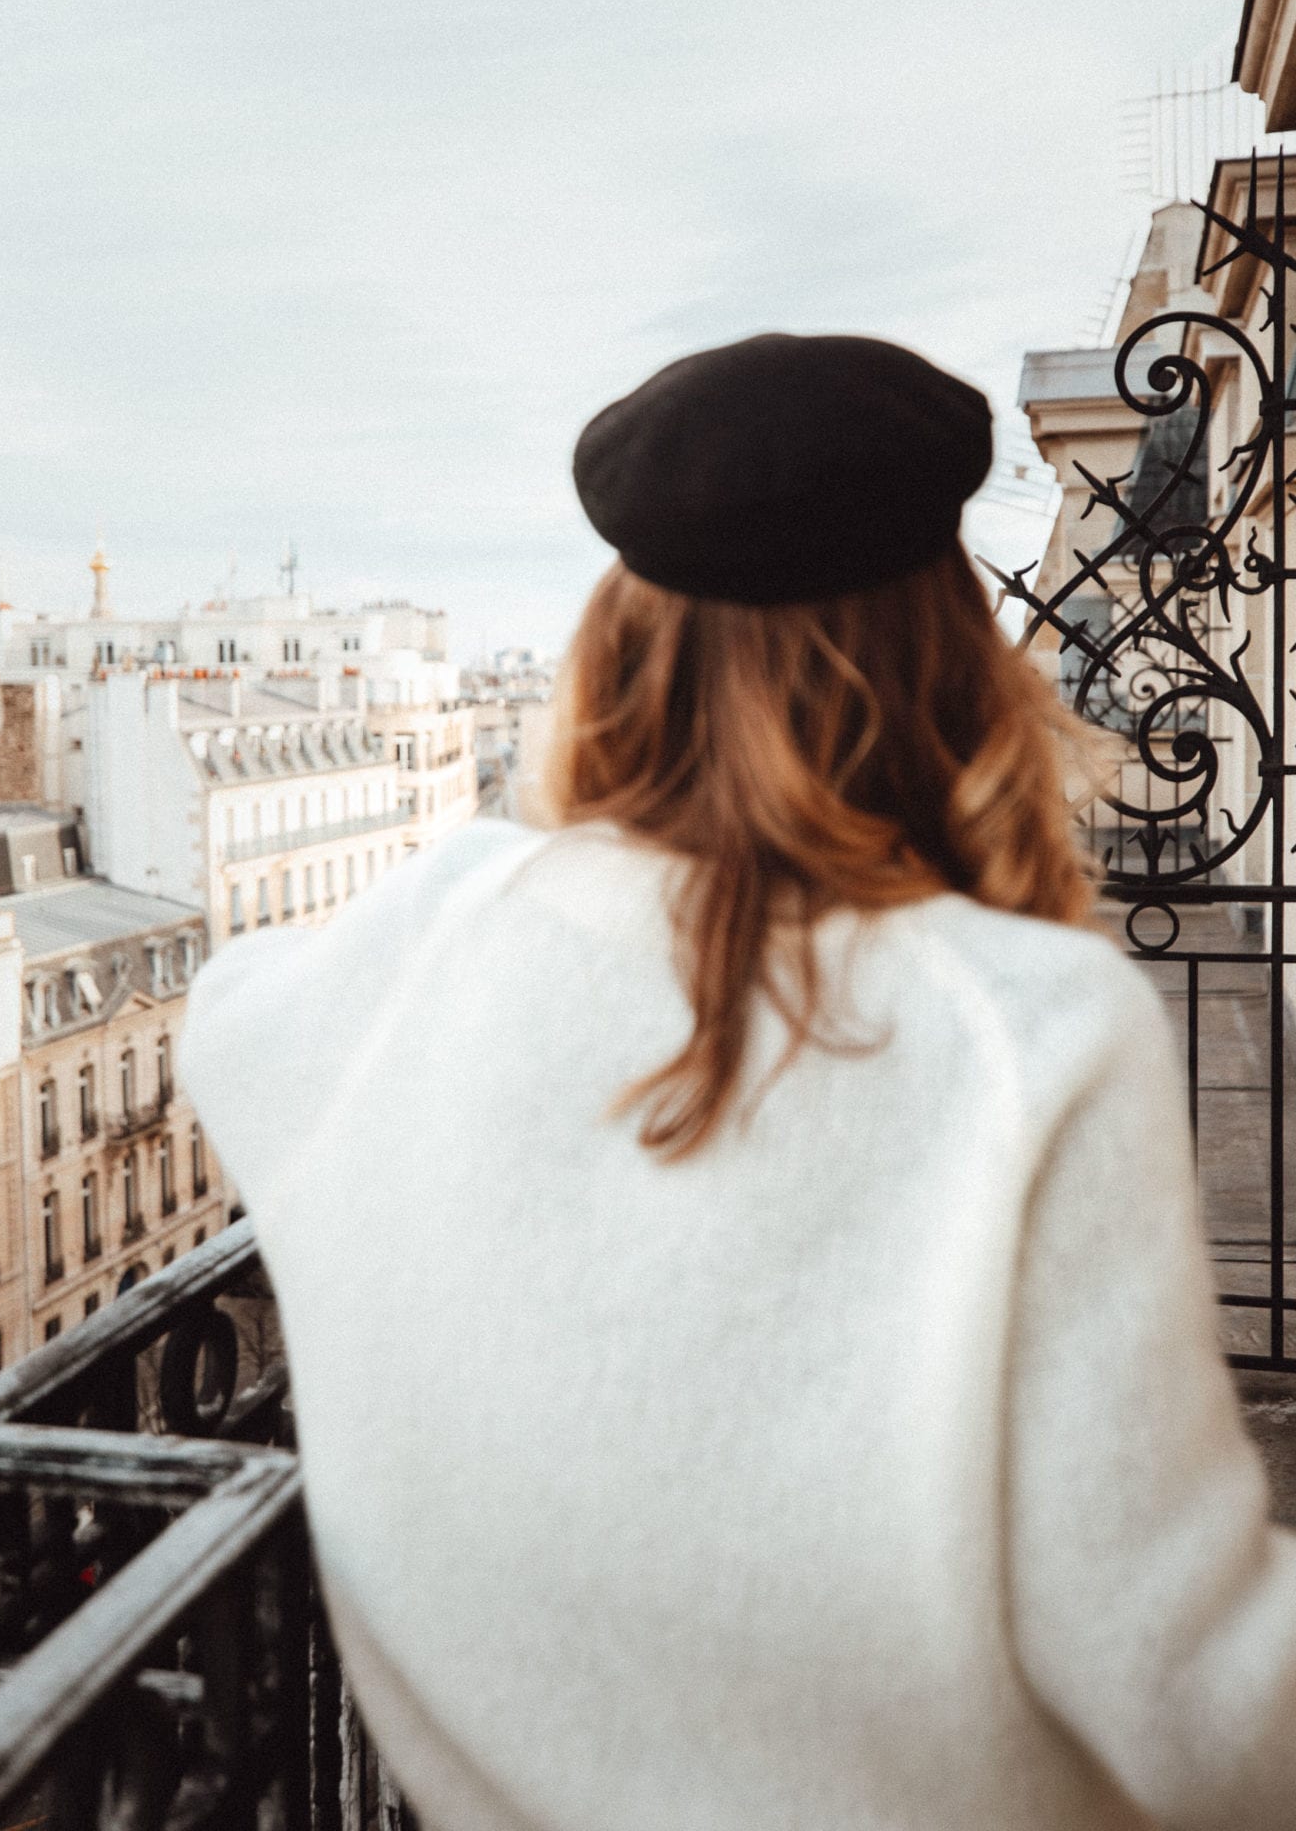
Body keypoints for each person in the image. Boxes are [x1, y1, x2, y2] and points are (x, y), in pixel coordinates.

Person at [181, 333, 1296, 1831]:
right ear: (945, 653)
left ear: (617, 646)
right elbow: (1195, 1690)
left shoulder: (411, 945)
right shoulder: (1029, 1027)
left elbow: (230, 1016)